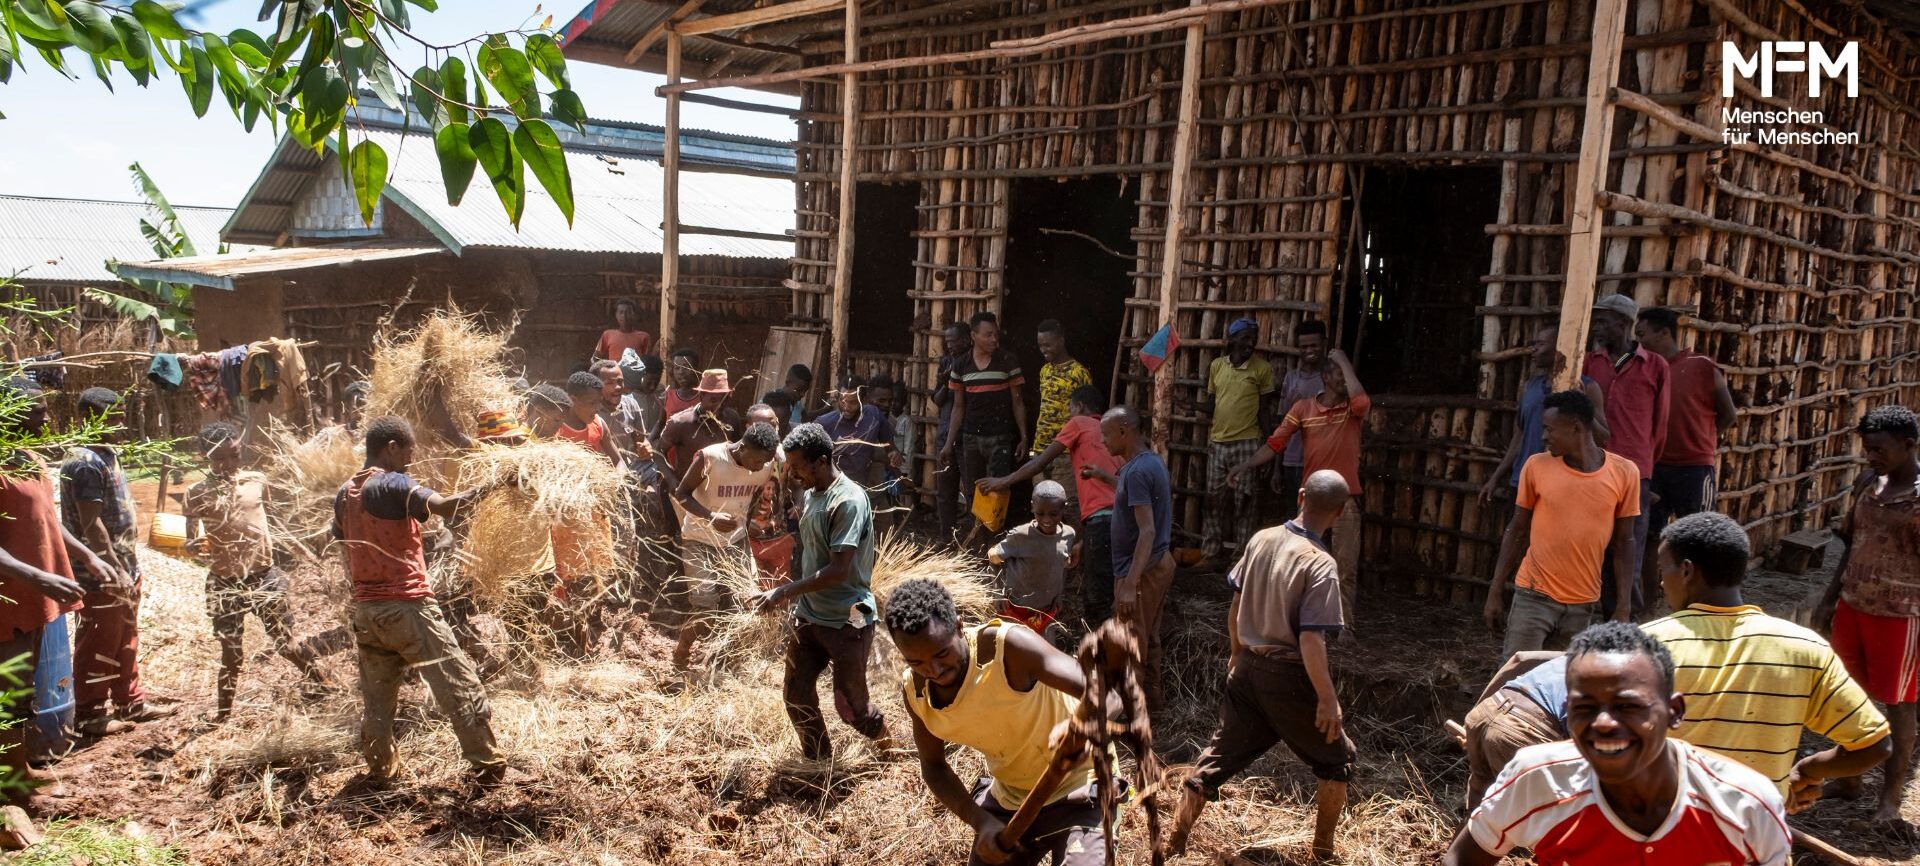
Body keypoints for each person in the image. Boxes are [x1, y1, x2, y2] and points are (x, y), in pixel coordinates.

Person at [1444, 622, 1790, 866]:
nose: (1604, 723)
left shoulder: (1747, 806)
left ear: (1674, 712)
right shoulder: (1536, 778)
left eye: (1627, 707)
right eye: (1584, 708)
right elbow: (1465, 855)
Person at [1168, 470, 1357, 863]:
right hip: (1285, 676)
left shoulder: (1262, 538)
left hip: (1248, 668)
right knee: (1337, 762)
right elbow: (1310, 639)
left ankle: (1175, 840)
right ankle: (1323, 853)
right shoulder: (1320, 563)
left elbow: (1235, 607)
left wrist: (1237, 654)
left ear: (1301, 495)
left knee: (1215, 760)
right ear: (1339, 512)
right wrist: (1327, 698)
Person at [1643, 511, 1891, 806]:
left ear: (1686, 571)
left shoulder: (1646, 648)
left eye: (1662, 569)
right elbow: (1876, 745)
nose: (1661, 583)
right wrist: (1806, 770)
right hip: (1759, 840)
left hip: (1663, 837)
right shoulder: (1804, 647)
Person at [887, 578, 1114, 865]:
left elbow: (1106, 694)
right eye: (915, 662)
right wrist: (981, 821)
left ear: (959, 625)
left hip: (1082, 786)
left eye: (942, 653)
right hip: (1012, 799)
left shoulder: (1008, 649)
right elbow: (933, 767)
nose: (933, 670)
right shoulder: (916, 693)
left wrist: (1084, 729)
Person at [333, 417, 508, 785]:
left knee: (378, 705)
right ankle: (489, 767)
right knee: (460, 687)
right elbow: (448, 507)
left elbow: (349, 542)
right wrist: (498, 482)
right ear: (392, 448)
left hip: (367, 612)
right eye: (408, 451)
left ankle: (382, 772)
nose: (411, 460)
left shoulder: (345, 493)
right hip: (408, 607)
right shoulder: (394, 482)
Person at [752, 423, 897, 760]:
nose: (793, 472)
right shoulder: (814, 491)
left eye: (798, 466)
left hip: (852, 615)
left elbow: (838, 570)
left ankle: (889, 751)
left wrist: (785, 592)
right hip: (811, 613)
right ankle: (819, 763)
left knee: (851, 707)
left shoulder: (847, 500)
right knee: (796, 695)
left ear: (820, 461)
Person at [1815, 404, 1920, 827]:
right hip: (1854, 606)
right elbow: (1851, 543)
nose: (1871, 456)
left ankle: (1889, 802)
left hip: (1902, 615)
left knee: (1899, 707)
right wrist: (1829, 599)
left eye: (1879, 449)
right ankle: (1849, 779)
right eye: (1867, 449)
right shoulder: (1868, 485)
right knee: (1844, 698)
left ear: (1910, 445)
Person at [1484, 391, 1639, 658]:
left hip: (1583, 602)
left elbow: (1624, 542)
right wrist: (1495, 590)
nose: (1543, 437)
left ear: (1576, 428)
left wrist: (1623, 605)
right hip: (1534, 595)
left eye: (1549, 429)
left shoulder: (1625, 473)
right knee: (1517, 679)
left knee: (1562, 684)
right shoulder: (1536, 466)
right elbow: (1517, 529)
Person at [0, 379, 94, 808]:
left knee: (23, 692)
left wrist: (89, 556)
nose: (44, 419)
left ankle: (19, 771)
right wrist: (37, 578)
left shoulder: (31, 459)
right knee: (9, 693)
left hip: (36, 600)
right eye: (35, 412)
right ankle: (14, 791)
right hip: (8, 602)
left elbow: (49, 521)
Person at [61, 387, 173, 736]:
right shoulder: (84, 463)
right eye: (114, 416)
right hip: (102, 572)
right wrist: (114, 567)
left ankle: (130, 701)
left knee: (126, 635)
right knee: (99, 639)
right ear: (89, 419)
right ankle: (91, 713)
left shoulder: (106, 454)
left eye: (122, 414)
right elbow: (92, 525)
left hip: (124, 566)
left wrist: (129, 566)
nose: (122, 422)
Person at [184, 421, 315, 719]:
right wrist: (192, 546)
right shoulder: (197, 492)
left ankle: (320, 681)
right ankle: (222, 716)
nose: (228, 464)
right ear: (204, 456)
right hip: (224, 582)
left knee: (285, 642)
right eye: (219, 458)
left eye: (235, 455)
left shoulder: (256, 480)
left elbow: (269, 519)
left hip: (263, 577)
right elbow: (191, 538)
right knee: (231, 654)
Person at [1227, 348, 1368, 620]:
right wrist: (1246, 465)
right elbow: (1275, 443)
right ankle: (1300, 620)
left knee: (1345, 566)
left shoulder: (1352, 409)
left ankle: (1343, 625)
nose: (1344, 380)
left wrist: (1342, 360)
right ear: (1325, 378)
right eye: (1338, 374)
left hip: (1345, 498)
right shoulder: (1303, 408)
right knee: (1305, 561)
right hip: (1312, 499)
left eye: (1346, 375)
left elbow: (1361, 399)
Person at [983, 386, 1122, 628]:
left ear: (1078, 407)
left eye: (1069, 408)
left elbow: (1040, 462)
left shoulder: (1079, 422)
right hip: (1122, 517)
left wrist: (1002, 481)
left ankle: (1099, 655)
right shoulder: (1113, 436)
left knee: (1097, 600)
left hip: (1101, 518)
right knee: (1112, 587)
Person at [1634, 307, 1735, 608]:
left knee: (1699, 537)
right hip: (1657, 466)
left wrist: (1703, 439)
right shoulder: (1647, 369)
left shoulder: (1701, 366)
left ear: (1664, 333)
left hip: (1695, 468)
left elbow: (1728, 414)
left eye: (1642, 335)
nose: (1639, 342)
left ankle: (1699, 604)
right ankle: (1651, 606)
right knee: (1651, 537)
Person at [1584, 293, 1671, 618]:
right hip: (1593, 470)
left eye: (1603, 319)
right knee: (1592, 550)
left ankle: (1624, 624)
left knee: (1627, 557)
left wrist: (1644, 468)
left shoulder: (1655, 367)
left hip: (1634, 475)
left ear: (1622, 323)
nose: (1597, 326)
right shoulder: (1590, 362)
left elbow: (1659, 428)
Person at [670, 421, 781, 672]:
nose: (760, 467)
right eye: (757, 461)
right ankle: (682, 651)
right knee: (706, 610)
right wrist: (711, 517)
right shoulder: (711, 457)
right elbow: (682, 493)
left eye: (766, 462)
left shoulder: (765, 464)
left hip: (735, 541)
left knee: (747, 603)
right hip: (699, 540)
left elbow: (754, 495)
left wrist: (748, 521)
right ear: (742, 448)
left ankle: (728, 662)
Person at [1479, 323, 1610, 504]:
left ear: (1560, 347)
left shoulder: (1588, 388)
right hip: (1524, 479)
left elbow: (1603, 437)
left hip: (1563, 484)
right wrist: (1496, 477)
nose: (1534, 349)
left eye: (1540, 344)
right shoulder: (1531, 386)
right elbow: (1519, 437)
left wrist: (1583, 406)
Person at [1101, 405, 1173, 705]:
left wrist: (1130, 583)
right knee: (1148, 636)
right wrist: (1102, 476)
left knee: (1130, 641)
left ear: (1124, 430)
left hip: (1141, 568)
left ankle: (1132, 714)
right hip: (1158, 563)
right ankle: (1153, 700)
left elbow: (1147, 531)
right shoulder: (1149, 463)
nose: (1104, 442)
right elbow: (1131, 492)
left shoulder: (1138, 471)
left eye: (1106, 434)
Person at [941, 312, 1029, 530]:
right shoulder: (960, 365)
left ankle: (993, 541)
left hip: (1000, 438)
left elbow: (1017, 402)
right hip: (971, 438)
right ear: (973, 335)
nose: (994, 340)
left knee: (997, 490)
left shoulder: (1007, 360)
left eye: (996, 335)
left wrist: (1024, 436)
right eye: (988, 335)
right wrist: (948, 443)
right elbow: (958, 408)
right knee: (974, 491)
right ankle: (977, 540)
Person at [1199, 317, 1275, 564]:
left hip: (1247, 443)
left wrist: (1268, 446)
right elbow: (1212, 405)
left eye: (1253, 338)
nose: (1250, 343)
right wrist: (1189, 405)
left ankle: (1240, 558)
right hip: (1218, 443)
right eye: (1244, 338)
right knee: (1213, 501)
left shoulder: (1262, 369)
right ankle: (1210, 554)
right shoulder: (1217, 367)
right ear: (1231, 339)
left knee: (1246, 501)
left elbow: (1264, 410)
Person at [1459, 653, 1569, 809]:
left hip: (1485, 711)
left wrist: (1475, 714)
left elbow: (1519, 658)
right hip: (1523, 731)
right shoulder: (1608, 676)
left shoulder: (1578, 653)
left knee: (1478, 807)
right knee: (1546, 815)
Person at [988, 482, 1079, 636]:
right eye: (1040, 513)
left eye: (1053, 514)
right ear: (1032, 507)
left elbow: (1062, 566)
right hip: (1015, 611)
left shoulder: (1068, 535)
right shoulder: (1021, 536)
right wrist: (997, 593)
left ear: (1064, 508)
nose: (1047, 519)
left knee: (1047, 653)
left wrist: (1059, 595)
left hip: (1046, 611)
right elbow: (993, 558)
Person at [1034, 319, 1093, 524]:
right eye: (1041, 345)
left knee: (1067, 506)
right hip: (1041, 449)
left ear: (1061, 341)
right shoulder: (1044, 371)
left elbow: (1087, 415)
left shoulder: (1079, 373)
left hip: (1066, 451)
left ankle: (1072, 552)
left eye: (1048, 345)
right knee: (1041, 505)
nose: (1044, 350)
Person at [1272, 319, 1329, 518]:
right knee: (1294, 518)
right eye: (1304, 347)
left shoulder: (1333, 378)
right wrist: (1276, 468)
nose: (1309, 351)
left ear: (1324, 344)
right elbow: (1283, 426)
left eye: (1314, 345)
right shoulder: (1291, 379)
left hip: (1323, 462)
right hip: (1293, 462)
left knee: (1320, 518)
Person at [816, 379, 893, 525]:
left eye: (853, 402)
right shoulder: (824, 423)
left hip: (861, 489)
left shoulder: (873, 416)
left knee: (884, 525)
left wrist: (898, 471)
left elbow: (890, 447)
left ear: (863, 401)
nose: (846, 407)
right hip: (832, 493)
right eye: (842, 401)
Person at [659, 369, 744, 483]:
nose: (719, 405)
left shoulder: (732, 418)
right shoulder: (680, 422)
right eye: (713, 400)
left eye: (724, 400)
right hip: (688, 490)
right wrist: (671, 479)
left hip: (719, 489)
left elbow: (739, 450)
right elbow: (658, 453)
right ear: (701, 396)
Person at [933, 321, 972, 541]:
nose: (949, 345)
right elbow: (938, 400)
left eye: (953, 340)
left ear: (967, 339)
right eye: (946, 341)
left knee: (970, 491)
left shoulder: (972, 362)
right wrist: (943, 383)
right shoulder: (946, 362)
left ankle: (970, 538)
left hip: (967, 435)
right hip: (945, 433)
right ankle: (945, 538)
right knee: (945, 491)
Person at [556, 371, 624, 466]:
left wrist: (618, 477)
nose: (598, 408)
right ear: (573, 400)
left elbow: (619, 461)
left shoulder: (599, 424)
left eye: (599, 402)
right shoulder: (555, 427)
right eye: (592, 403)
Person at [616, 353, 667, 444]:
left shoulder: (661, 395)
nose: (652, 387)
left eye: (656, 382)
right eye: (648, 382)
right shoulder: (625, 398)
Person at [593, 298, 652, 362]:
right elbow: (595, 358)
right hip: (614, 371)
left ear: (634, 315)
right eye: (621, 312)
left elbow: (647, 361)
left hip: (636, 372)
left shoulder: (643, 337)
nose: (624, 315)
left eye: (628, 312)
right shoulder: (607, 335)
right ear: (616, 315)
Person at [663, 347, 704, 419]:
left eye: (686, 367)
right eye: (677, 368)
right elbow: (660, 424)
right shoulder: (666, 397)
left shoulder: (705, 398)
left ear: (696, 369)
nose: (681, 372)